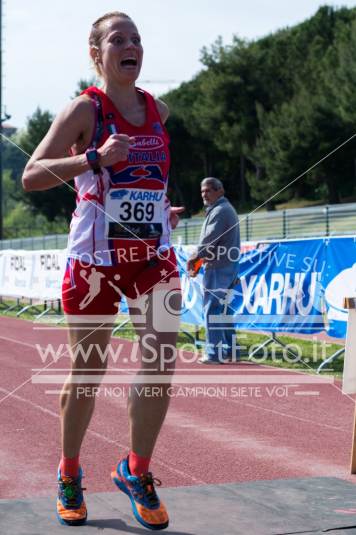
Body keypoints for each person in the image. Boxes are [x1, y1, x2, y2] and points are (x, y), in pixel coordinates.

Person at [22, 11, 184, 531]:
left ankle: (136, 471)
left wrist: (161, 208)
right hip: (95, 262)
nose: (130, 45)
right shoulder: (85, 109)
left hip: (151, 258)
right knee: (87, 375)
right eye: (119, 39)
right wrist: (93, 157)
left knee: (161, 361)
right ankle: (69, 472)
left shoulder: (158, 109)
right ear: (97, 54)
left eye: (136, 38)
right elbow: (32, 175)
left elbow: (145, 182)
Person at [187, 177, 240, 364]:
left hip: (219, 267)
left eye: (208, 190)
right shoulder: (222, 209)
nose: (204, 194)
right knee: (222, 310)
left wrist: (193, 259)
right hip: (226, 265)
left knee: (212, 310)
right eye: (202, 191)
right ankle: (231, 351)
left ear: (220, 191)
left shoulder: (220, 211)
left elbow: (208, 242)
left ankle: (213, 353)